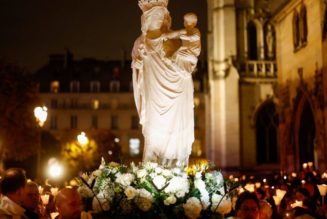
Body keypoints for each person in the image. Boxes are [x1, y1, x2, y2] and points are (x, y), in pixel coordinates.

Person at [132, 0, 198, 167]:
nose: (161, 21)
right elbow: (138, 68)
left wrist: (187, 59)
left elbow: (189, 62)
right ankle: (154, 165)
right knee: (154, 129)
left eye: (163, 17)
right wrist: (138, 64)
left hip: (178, 92)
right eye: (156, 17)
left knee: (176, 130)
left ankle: (174, 164)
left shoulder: (175, 39)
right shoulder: (141, 42)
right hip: (155, 90)